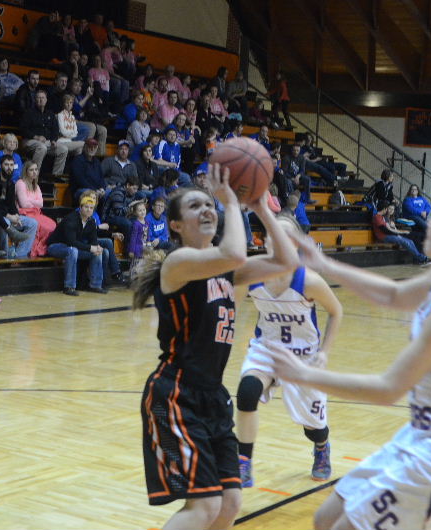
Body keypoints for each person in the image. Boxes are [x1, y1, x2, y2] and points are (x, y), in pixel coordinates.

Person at [267, 190, 431, 530]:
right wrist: (325, 265)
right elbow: (392, 294)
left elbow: (388, 389)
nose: (426, 222)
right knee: (325, 519)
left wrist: (302, 374)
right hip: (423, 434)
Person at [133, 163, 299, 529]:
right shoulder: (178, 262)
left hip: (212, 395)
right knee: (205, 506)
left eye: (209, 204)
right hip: (176, 393)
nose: (207, 209)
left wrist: (260, 207)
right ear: (176, 225)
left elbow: (288, 261)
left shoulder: (227, 270)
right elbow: (235, 253)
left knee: (230, 503)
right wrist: (231, 203)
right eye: (195, 206)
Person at [236, 214, 343, 487]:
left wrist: (324, 352)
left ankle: (322, 446)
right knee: (247, 392)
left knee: (313, 429)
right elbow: (229, 308)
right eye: (273, 233)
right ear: (265, 241)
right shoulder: (252, 274)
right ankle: (243, 461)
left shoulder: (309, 281)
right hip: (267, 348)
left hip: (304, 355)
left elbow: (336, 311)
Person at [47, 194, 107, 295]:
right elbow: (71, 242)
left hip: (72, 247)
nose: (89, 210)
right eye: (86, 207)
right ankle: (69, 287)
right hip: (56, 246)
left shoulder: (91, 221)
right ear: (80, 207)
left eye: (91, 208)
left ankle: (95, 285)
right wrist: (90, 248)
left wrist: (97, 247)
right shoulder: (71, 219)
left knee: (97, 253)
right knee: (73, 250)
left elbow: (93, 241)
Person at [0, 155, 38, 258]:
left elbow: (12, 205)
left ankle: (19, 255)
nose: (9, 167)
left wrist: (16, 216)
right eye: (6, 165)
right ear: (0, 166)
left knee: (33, 223)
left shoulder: (11, 183)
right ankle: (4, 257)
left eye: (11, 165)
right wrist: (9, 216)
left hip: (9, 215)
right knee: (5, 222)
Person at [20, 90, 70, 177]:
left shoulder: (50, 113)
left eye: (43, 98)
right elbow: (23, 129)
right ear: (35, 100)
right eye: (38, 98)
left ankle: (55, 176)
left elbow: (55, 130)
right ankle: (33, 176)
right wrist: (36, 137)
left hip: (46, 142)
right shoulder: (29, 112)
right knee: (42, 147)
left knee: (63, 149)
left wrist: (53, 140)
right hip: (29, 141)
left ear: (46, 100)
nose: (41, 100)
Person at [15, 161, 57, 257]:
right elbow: (24, 204)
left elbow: (41, 204)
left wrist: (30, 200)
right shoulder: (20, 183)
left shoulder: (36, 186)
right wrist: (35, 202)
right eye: (31, 170)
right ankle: (33, 250)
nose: (34, 172)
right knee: (42, 226)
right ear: (26, 171)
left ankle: (44, 249)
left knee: (53, 225)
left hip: (36, 212)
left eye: (36, 170)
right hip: (24, 213)